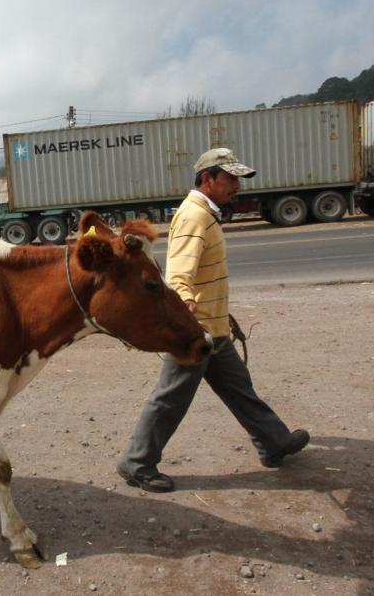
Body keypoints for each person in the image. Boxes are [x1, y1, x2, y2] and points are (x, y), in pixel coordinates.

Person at [117, 148, 310, 492]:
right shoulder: (194, 215)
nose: (237, 185)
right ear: (208, 179)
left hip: (214, 326)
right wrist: (186, 303)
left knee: (239, 388)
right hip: (197, 332)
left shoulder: (207, 212)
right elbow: (178, 270)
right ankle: (136, 463)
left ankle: (273, 442)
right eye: (230, 178)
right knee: (171, 397)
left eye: (238, 179)